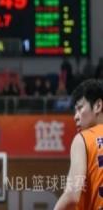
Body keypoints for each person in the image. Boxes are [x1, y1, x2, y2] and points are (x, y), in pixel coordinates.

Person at [54, 79, 103, 209]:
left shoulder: (83, 139)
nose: (75, 117)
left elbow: (72, 195)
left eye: (80, 108)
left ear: (98, 106)